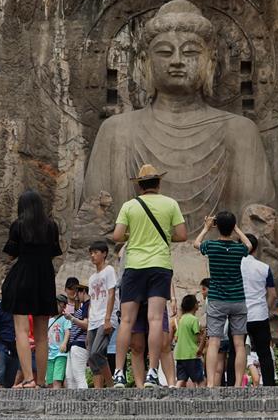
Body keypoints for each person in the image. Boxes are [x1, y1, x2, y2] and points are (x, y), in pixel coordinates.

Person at [111, 164, 187, 388]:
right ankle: (153, 372)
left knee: (127, 320)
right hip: (160, 266)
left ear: (139, 186)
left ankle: (118, 373)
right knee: (155, 320)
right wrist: (163, 234)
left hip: (134, 266)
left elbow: (116, 236)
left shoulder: (129, 206)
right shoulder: (170, 204)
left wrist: (132, 234)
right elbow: (182, 234)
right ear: (159, 183)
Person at [1, 190, 62, 389]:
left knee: (22, 330)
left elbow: (10, 255)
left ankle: (28, 379)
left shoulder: (18, 226)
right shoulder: (51, 226)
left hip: (22, 277)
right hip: (44, 279)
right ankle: (42, 380)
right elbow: (54, 252)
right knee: (42, 334)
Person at [193, 210, 252, 387]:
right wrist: (237, 228)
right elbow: (249, 245)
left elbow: (196, 243)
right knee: (239, 344)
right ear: (232, 227)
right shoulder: (238, 248)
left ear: (217, 226)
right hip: (237, 299)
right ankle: (237, 384)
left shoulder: (211, 246)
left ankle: (210, 383)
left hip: (217, 299)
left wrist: (205, 228)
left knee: (214, 342)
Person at [240, 233, 276, 386]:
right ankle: (269, 385)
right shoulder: (264, 267)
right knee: (264, 352)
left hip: (239, 314)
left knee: (237, 351)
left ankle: (233, 383)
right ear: (255, 249)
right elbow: (273, 294)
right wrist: (265, 308)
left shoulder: (235, 266)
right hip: (260, 314)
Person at [86, 241, 117, 388]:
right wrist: (88, 326)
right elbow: (91, 301)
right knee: (91, 359)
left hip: (105, 317)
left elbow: (111, 293)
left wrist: (107, 319)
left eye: (96, 252)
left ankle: (110, 385)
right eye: (91, 253)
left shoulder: (109, 270)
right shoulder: (92, 278)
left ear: (104, 253)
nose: (93, 256)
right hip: (93, 319)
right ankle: (98, 390)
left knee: (96, 353)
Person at [174, 294, 204, 387]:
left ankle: (174, 393)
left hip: (180, 355)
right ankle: (203, 397)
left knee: (181, 379)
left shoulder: (181, 319)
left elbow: (176, 338)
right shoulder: (194, 319)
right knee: (199, 379)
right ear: (195, 305)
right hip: (192, 355)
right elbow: (198, 337)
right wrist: (202, 336)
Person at [64, 282, 89, 389]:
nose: (76, 296)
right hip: (73, 344)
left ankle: (84, 402)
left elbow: (87, 324)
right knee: (70, 377)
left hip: (80, 344)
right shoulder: (83, 306)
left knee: (79, 376)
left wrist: (72, 318)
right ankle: (72, 402)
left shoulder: (88, 305)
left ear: (83, 292)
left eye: (77, 293)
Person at [46, 294, 71, 388]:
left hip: (60, 354)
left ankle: (57, 402)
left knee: (57, 380)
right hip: (49, 354)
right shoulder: (48, 319)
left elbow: (67, 331)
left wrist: (64, 343)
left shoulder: (65, 318)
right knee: (49, 382)